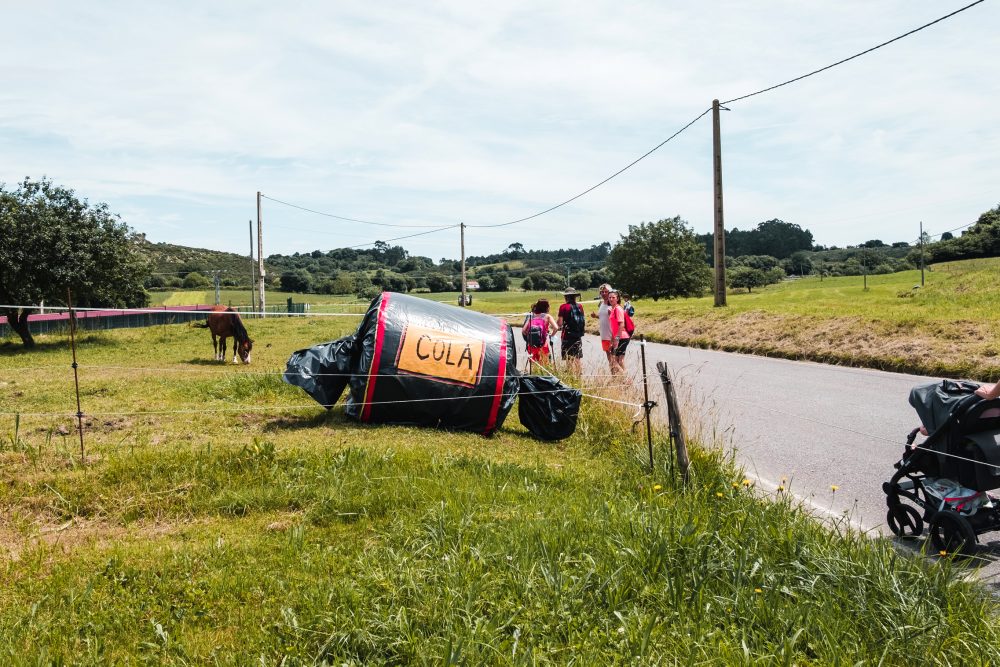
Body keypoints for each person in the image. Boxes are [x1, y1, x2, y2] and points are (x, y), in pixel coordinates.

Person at [522, 299, 557, 371]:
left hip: (531, 346)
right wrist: (551, 335)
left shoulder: (531, 316)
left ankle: (534, 379)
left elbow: (523, 331)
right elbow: (556, 328)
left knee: (533, 366)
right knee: (545, 366)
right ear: (546, 307)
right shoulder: (547, 316)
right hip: (543, 345)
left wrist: (529, 337)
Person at [556, 287, 586, 374]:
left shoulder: (563, 307)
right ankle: (579, 376)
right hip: (577, 335)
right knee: (577, 357)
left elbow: (560, 323)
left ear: (566, 297)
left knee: (568, 357)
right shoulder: (580, 306)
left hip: (567, 335)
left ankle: (570, 376)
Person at [607, 290, 631, 374]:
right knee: (618, 360)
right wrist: (611, 341)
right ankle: (624, 381)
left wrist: (616, 339)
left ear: (617, 298)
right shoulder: (613, 309)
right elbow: (614, 328)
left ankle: (627, 380)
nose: (611, 299)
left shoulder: (618, 309)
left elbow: (621, 324)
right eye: (609, 297)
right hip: (619, 337)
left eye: (613, 297)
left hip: (622, 337)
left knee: (615, 361)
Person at [590, 283, 613, 370]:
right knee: (609, 358)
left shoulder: (612, 304)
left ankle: (622, 377)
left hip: (612, 335)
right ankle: (614, 377)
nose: (603, 293)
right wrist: (595, 316)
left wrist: (614, 337)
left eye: (606, 292)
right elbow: (603, 316)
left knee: (615, 359)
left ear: (610, 292)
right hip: (604, 335)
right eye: (602, 292)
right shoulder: (601, 304)